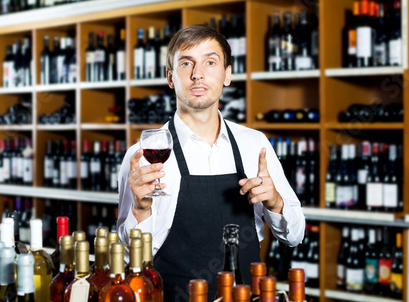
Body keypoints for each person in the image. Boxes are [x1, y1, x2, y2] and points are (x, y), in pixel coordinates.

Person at [117, 24, 305, 301]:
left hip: (245, 296)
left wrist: (276, 203)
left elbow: (295, 235)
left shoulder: (255, 145)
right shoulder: (142, 155)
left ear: (227, 75)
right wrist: (141, 210)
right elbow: (127, 257)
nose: (198, 74)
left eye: (210, 62)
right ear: (170, 78)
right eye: (186, 63)